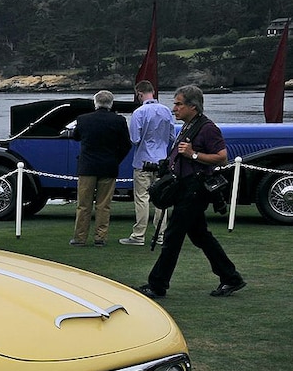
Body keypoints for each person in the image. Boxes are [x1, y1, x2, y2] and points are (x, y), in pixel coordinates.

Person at [136, 85, 246, 299]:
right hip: (186, 188)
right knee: (200, 236)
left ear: (192, 107)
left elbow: (222, 157)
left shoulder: (207, 128)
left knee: (173, 236)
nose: (174, 108)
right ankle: (231, 277)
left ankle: (157, 284)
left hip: (195, 189)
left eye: (178, 104)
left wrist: (194, 155)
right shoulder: (188, 126)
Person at [69, 90, 131, 247]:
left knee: (83, 204)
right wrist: (116, 159)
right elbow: (126, 144)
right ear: (111, 103)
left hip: (87, 166)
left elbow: (76, 136)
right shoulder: (119, 120)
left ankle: (79, 237)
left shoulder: (83, 119)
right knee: (104, 205)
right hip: (109, 166)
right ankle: (100, 237)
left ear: (95, 103)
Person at [120, 80, 174, 246]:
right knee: (161, 199)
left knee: (142, 198)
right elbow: (172, 136)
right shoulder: (166, 111)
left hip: (143, 160)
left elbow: (134, 139)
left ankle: (139, 235)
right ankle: (160, 234)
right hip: (162, 160)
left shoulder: (139, 112)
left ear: (139, 94)